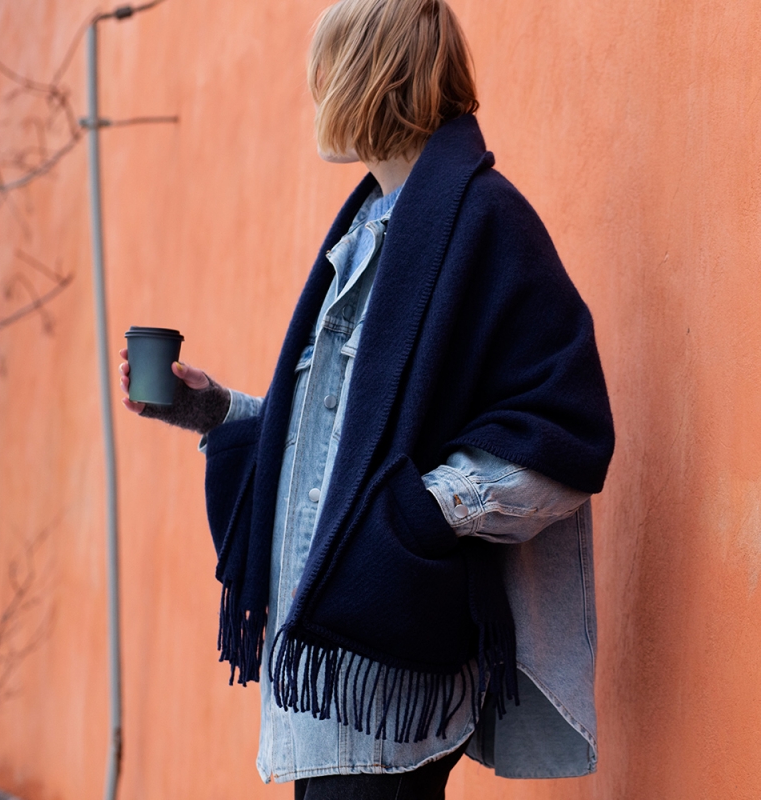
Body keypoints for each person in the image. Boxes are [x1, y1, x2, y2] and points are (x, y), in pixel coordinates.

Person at [120, 0, 615, 797]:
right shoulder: (362, 234)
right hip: (328, 679)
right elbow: (335, 453)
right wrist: (213, 413)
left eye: (325, 70)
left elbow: (563, 437)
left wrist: (410, 516)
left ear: (368, 77)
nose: (314, 91)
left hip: (385, 677)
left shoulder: (484, 222)